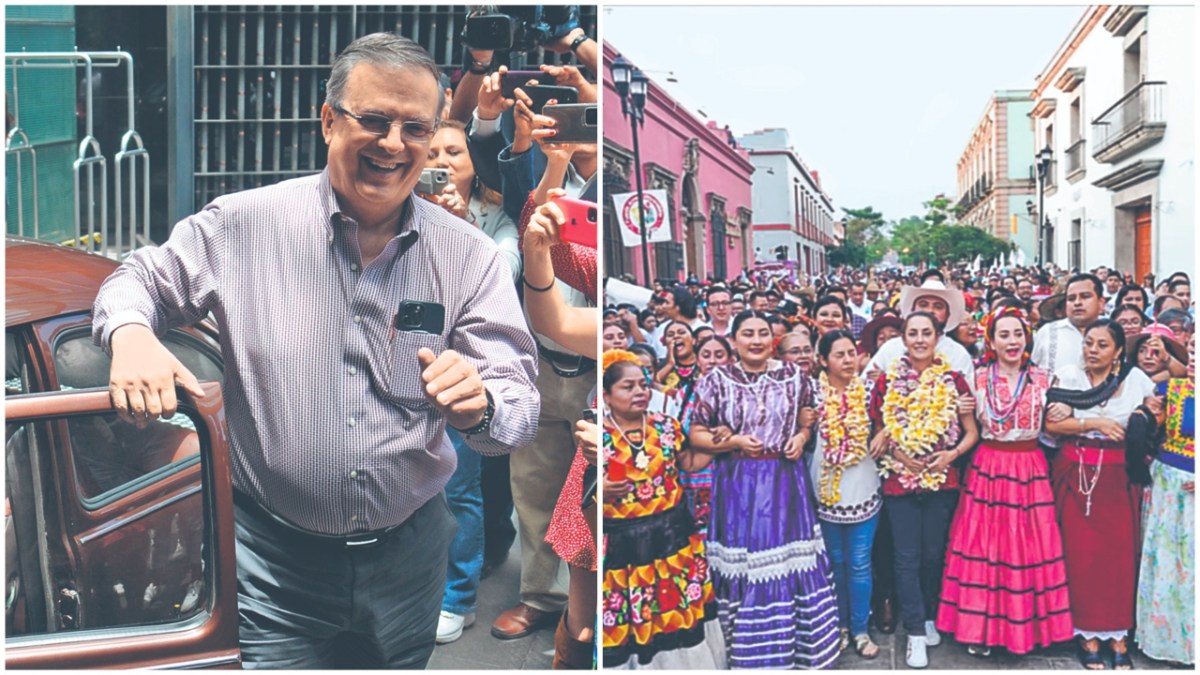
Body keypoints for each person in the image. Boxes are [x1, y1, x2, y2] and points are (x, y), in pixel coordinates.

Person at [91, 33, 540, 668]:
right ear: (329, 120)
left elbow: (518, 404)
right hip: (274, 565)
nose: (393, 144)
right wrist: (131, 334)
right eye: (375, 120)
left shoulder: (467, 256)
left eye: (416, 127)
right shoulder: (241, 226)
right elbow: (136, 279)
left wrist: (482, 404)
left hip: (410, 559)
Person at [689, 310, 840, 669]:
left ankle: (800, 652)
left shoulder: (793, 376)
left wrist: (802, 438)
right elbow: (695, 433)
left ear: (773, 339)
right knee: (745, 562)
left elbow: (810, 418)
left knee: (787, 561)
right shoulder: (716, 380)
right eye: (747, 334)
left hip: (785, 481)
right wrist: (733, 441)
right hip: (738, 483)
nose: (755, 340)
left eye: (761, 333)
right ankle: (748, 654)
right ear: (734, 340)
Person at [936, 307, 1074, 657]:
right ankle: (979, 629)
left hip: (1029, 466)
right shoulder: (977, 378)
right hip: (989, 466)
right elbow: (958, 421)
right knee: (985, 547)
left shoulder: (1046, 379)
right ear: (991, 341)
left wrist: (1065, 412)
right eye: (1004, 335)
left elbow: (1057, 421)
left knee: (1028, 547)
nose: (1012, 341)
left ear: (1027, 337)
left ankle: (1024, 628)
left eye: (1018, 333)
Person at [1045, 319, 1158, 670]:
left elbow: (1156, 419)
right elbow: (1051, 424)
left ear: (1118, 351)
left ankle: (1118, 633)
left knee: (1119, 556)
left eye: (1101, 345)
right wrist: (1093, 423)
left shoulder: (1136, 380)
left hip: (1118, 476)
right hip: (1075, 470)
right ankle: (1087, 634)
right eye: (1088, 342)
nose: (1092, 350)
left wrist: (1145, 417)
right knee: (1080, 555)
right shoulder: (1068, 376)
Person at [867, 312, 978, 669]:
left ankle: (929, 614)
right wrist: (899, 453)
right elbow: (876, 431)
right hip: (899, 479)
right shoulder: (887, 381)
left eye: (925, 333)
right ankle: (914, 631)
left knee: (933, 554)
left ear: (937, 337)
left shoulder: (953, 379)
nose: (918, 340)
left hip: (942, 478)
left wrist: (952, 454)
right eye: (912, 333)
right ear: (903, 339)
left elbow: (971, 432)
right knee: (906, 556)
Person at [601, 351, 722, 669]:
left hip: (674, 541)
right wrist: (599, 492)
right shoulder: (597, 437)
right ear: (606, 395)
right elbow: (577, 497)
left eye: (643, 385)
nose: (640, 392)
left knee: (676, 616)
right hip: (624, 550)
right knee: (630, 624)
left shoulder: (667, 427)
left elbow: (689, 464)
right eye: (628, 387)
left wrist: (722, 444)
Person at [523, 192, 602, 668]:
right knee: (582, 601)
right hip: (592, 473)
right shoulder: (594, 279)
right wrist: (535, 250)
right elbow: (554, 318)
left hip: (634, 482)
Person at [810, 329, 883, 660]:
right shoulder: (811, 395)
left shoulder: (870, 392)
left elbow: (891, 423)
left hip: (864, 488)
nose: (847, 360)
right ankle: (837, 627)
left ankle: (859, 628)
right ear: (823, 361)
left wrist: (884, 434)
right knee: (835, 563)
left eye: (851, 353)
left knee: (859, 563)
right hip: (825, 492)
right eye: (838, 355)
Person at [1135, 335, 1194, 666]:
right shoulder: (1170, 390)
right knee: (1166, 563)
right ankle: (1163, 640)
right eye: (1195, 349)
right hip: (1167, 484)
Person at [864, 279, 975, 384]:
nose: (930, 310)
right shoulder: (891, 348)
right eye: (923, 305)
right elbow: (863, 389)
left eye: (938, 306)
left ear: (947, 315)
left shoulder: (958, 355)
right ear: (912, 310)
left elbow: (968, 398)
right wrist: (883, 382)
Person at [679, 334, 734, 540]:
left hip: (731, 477)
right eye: (706, 355)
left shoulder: (740, 393)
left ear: (730, 359)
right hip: (693, 482)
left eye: (719, 355)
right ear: (697, 359)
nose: (712, 360)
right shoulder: (684, 393)